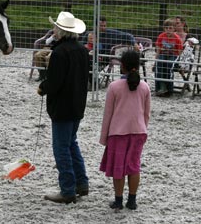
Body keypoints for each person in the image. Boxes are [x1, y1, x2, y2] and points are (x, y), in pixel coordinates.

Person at [37, 11, 89, 204]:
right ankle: (81, 183)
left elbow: (55, 82)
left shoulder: (59, 53)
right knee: (71, 143)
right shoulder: (82, 50)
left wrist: (43, 87)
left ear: (60, 30)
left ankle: (67, 190)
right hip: (77, 105)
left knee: (61, 148)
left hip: (63, 107)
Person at [99, 50, 151, 211]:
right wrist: (143, 128)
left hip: (117, 133)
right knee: (134, 167)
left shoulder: (114, 87)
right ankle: (132, 200)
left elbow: (108, 114)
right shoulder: (145, 87)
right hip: (138, 131)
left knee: (118, 168)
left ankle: (118, 200)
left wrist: (104, 137)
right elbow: (146, 114)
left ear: (122, 66)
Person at [154, 18, 183, 96]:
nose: (168, 30)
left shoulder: (177, 38)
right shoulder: (161, 36)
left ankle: (169, 89)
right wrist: (156, 59)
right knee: (159, 64)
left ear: (174, 29)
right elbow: (158, 49)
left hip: (173, 55)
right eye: (166, 28)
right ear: (164, 28)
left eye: (170, 28)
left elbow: (179, 53)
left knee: (169, 66)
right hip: (163, 54)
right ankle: (159, 87)